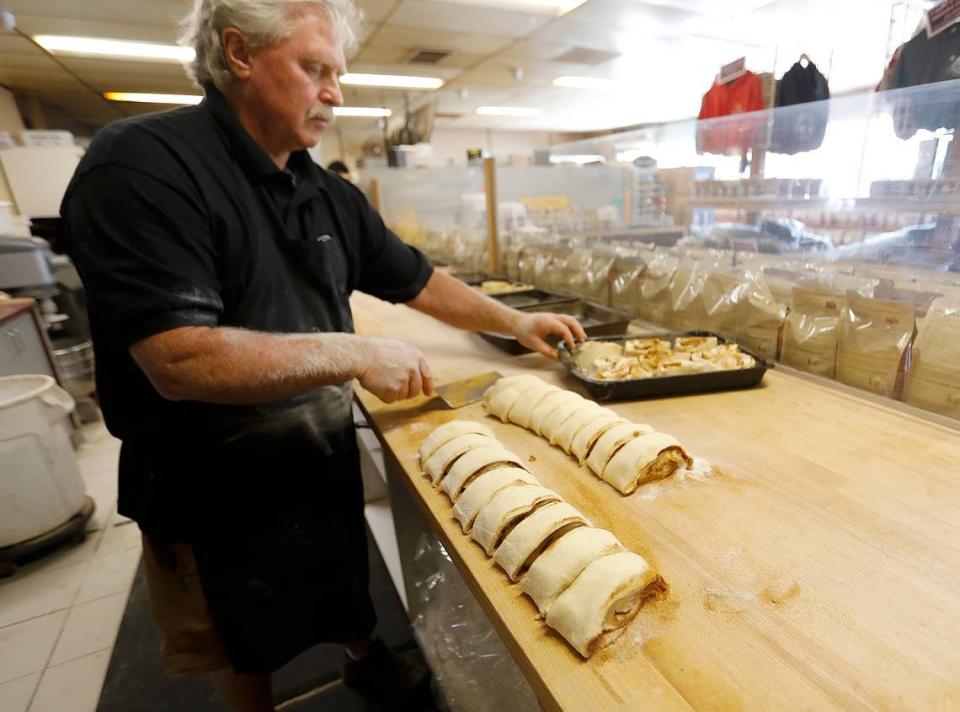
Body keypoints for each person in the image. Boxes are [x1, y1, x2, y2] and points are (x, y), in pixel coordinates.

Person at [59, 1, 586, 711]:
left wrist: (514, 321)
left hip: (313, 449)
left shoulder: (324, 192)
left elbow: (414, 277)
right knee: (241, 641)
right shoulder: (144, 166)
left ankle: (365, 662)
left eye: (337, 73)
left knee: (341, 581)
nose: (335, 93)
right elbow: (176, 360)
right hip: (207, 478)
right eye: (315, 69)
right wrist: (354, 353)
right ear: (239, 54)